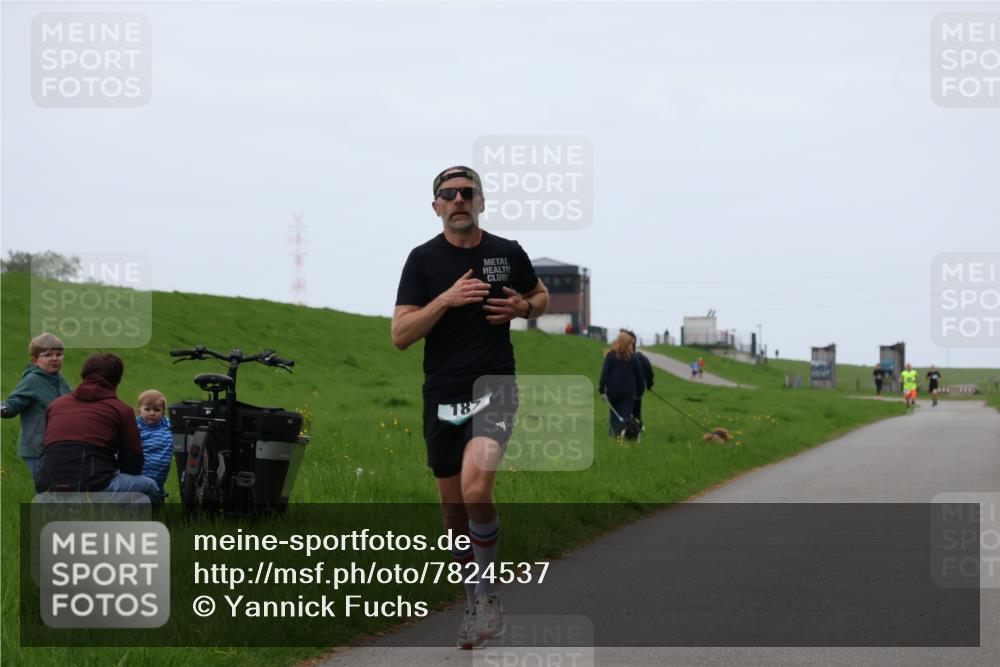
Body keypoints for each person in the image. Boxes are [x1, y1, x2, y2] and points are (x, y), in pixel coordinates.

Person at [392, 165, 549, 649]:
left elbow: (540, 295)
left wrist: (523, 309)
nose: (458, 199)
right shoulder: (422, 261)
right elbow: (400, 335)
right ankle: (473, 596)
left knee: (476, 486)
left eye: (467, 192)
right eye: (448, 194)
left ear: (481, 202)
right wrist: (446, 298)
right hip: (442, 392)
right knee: (452, 504)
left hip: (494, 384)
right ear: (436, 206)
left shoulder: (506, 252)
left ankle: (487, 599)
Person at [34, 352, 160, 500]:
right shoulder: (121, 409)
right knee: (149, 488)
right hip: (94, 487)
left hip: (46, 491)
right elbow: (133, 459)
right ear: (117, 379)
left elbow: (47, 447)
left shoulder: (56, 405)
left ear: (84, 375)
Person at [1, 333, 72, 481]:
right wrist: (4, 408)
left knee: (57, 491)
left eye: (59, 354)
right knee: (45, 491)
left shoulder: (59, 378)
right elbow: (14, 401)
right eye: (48, 355)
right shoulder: (32, 380)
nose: (54, 358)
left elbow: (73, 400)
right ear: (35, 360)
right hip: (36, 450)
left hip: (57, 447)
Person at [599, 332, 644, 436]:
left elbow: (604, 374)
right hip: (628, 394)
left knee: (614, 417)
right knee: (625, 418)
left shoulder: (610, 356)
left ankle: (614, 436)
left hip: (613, 393)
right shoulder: (633, 359)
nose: (631, 347)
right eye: (630, 344)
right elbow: (640, 378)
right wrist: (640, 392)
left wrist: (601, 389)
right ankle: (623, 437)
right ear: (625, 344)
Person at [136, 389, 172, 501]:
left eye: (157, 410)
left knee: (157, 498)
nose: (152, 413)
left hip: (161, 474)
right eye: (147, 409)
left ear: (163, 412)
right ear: (139, 411)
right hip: (141, 474)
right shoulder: (135, 426)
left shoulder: (169, 426)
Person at [624, 331, 654, 430]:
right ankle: (636, 427)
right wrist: (649, 385)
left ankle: (633, 429)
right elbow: (649, 372)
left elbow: (649, 373)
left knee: (627, 412)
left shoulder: (637, 358)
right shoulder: (640, 358)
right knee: (635, 411)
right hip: (636, 391)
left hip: (630, 390)